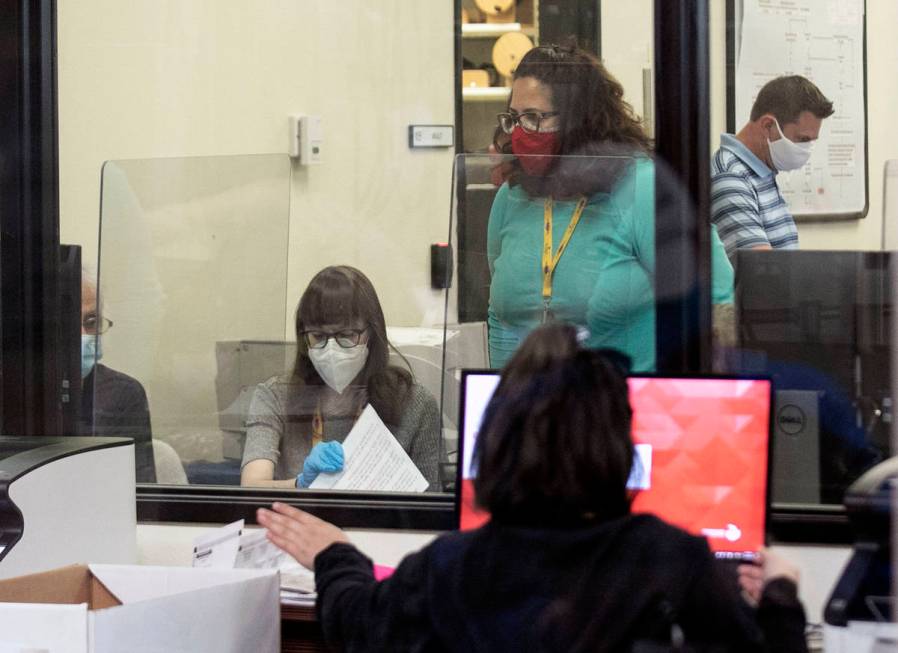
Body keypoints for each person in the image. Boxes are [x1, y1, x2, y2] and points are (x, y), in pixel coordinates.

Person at [258, 323, 808, 652]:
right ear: (616, 447)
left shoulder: (448, 567)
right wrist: (780, 595)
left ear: (497, 441)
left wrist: (336, 556)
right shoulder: (668, 559)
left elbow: (360, 625)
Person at [486, 44, 734, 370]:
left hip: (621, 402)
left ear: (579, 120)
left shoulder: (643, 187)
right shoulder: (513, 195)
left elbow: (717, 301)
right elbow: (499, 307)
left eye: (534, 118)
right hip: (525, 404)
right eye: (514, 119)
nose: (520, 133)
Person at [240, 265, 441, 491]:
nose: (332, 349)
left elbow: (430, 504)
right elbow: (251, 486)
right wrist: (301, 483)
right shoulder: (275, 395)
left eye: (346, 335)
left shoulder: (414, 402)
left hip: (379, 525)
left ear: (372, 334)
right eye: (318, 336)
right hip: (298, 522)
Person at [711, 75, 834, 261]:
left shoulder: (763, 171)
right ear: (768, 126)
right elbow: (762, 272)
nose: (806, 150)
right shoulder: (730, 177)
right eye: (802, 140)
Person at [79, 271, 156, 483]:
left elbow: (138, 495)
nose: (84, 335)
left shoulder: (122, 394)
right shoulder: (13, 393)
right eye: (67, 322)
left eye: (91, 321)